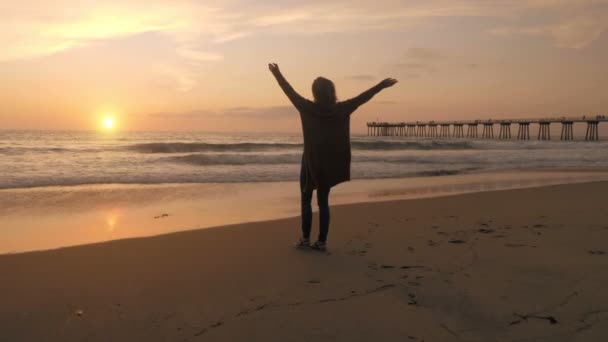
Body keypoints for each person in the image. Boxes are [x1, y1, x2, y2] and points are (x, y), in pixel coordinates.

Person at [268, 63, 398, 251]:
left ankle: (305, 239)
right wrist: (381, 85)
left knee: (306, 198)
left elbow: (290, 91)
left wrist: (277, 73)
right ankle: (321, 241)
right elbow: (362, 98)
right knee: (323, 202)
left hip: (311, 161)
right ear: (332, 92)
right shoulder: (342, 108)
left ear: (315, 93)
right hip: (329, 162)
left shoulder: (306, 107)